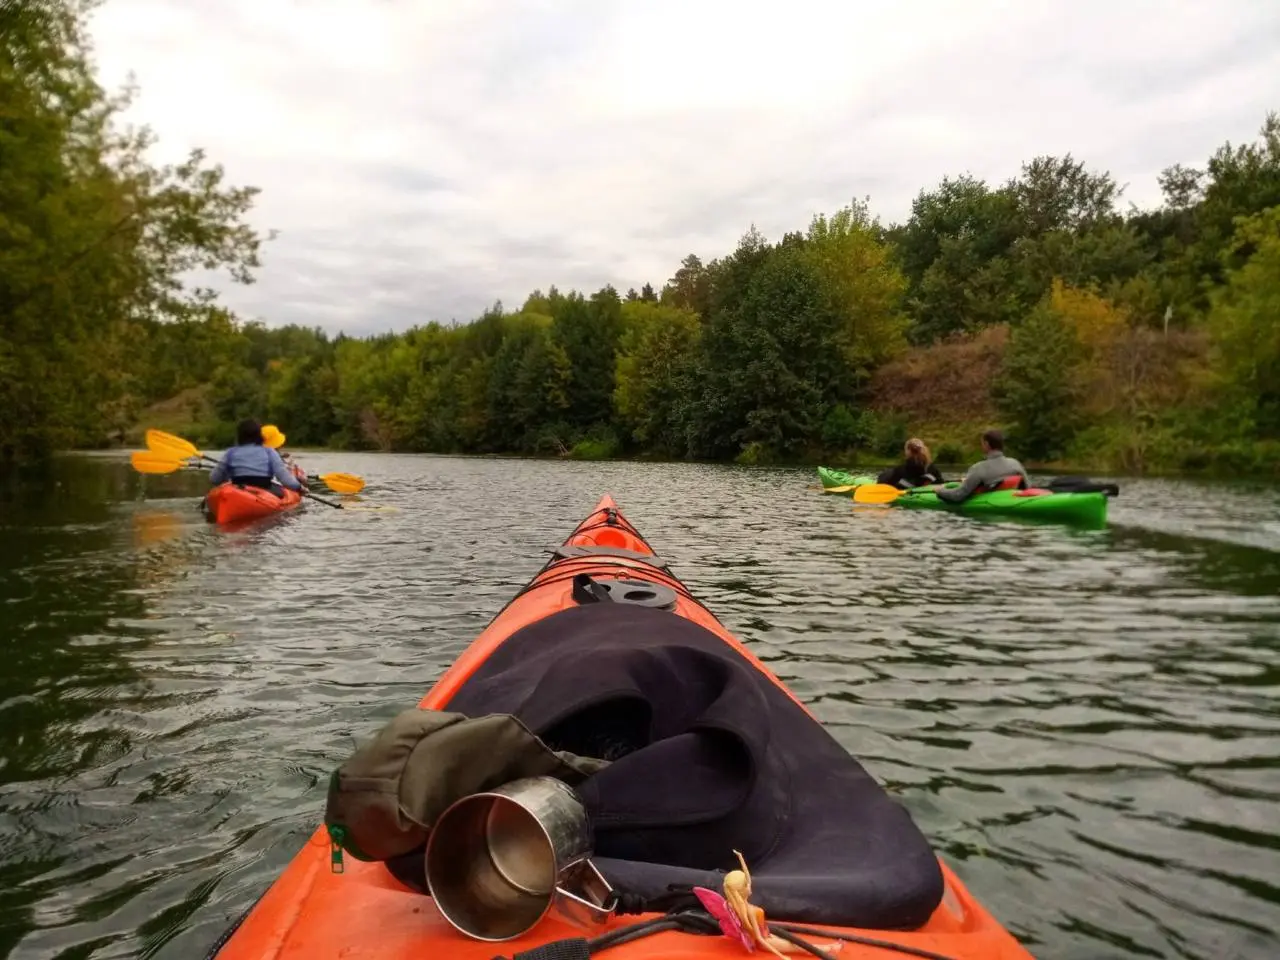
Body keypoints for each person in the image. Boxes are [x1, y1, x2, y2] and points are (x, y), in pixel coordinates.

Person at [209, 418, 306, 496]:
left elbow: (214, 479)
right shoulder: (269, 451)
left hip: (238, 488)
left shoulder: (230, 452)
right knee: (282, 492)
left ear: (239, 435)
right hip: (263, 489)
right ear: (259, 435)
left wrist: (226, 478)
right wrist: (299, 488)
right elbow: (284, 478)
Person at [934, 429, 1027, 503]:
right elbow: (1027, 488)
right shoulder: (1015, 463)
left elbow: (958, 495)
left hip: (990, 501)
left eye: (982, 443)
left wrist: (940, 491)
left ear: (986, 444)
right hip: (1011, 499)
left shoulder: (979, 468)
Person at [877, 437, 945, 489]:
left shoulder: (901, 469)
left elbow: (885, 486)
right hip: (927, 490)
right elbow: (941, 483)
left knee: (885, 474)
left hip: (907, 489)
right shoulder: (932, 468)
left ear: (908, 451)